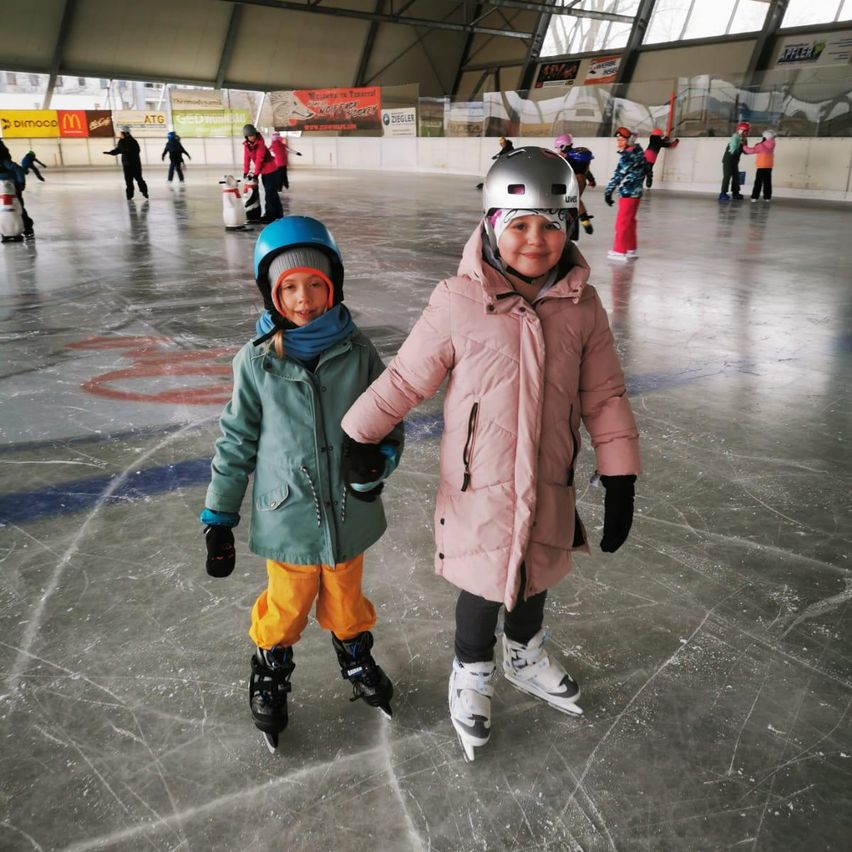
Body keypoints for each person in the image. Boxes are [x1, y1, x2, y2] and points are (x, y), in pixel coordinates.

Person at [341, 147, 641, 761]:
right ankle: (472, 668)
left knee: (537, 571)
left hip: (550, 474)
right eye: (519, 225)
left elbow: (604, 395)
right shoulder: (459, 299)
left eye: (551, 225)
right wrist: (358, 435)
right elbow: (405, 379)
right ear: (492, 225)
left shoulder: (583, 306)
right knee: (483, 584)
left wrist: (620, 476)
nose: (536, 240)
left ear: (570, 225)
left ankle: (524, 654)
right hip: (479, 482)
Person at [200, 215, 404, 752]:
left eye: (316, 284)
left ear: (334, 286)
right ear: (271, 293)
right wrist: (219, 516)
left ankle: (354, 655)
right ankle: (270, 666)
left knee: (347, 599)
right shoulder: (257, 362)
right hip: (287, 514)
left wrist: (377, 464)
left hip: (350, 511)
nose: (304, 299)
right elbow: (236, 441)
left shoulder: (359, 353)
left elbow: (390, 420)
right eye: (289, 287)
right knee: (286, 605)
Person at [604, 127, 646, 262]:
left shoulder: (628, 156)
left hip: (628, 192)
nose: (619, 143)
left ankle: (619, 251)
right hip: (636, 192)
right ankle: (630, 248)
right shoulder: (639, 151)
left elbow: (618, 175)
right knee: (630, 221)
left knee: (622, 223)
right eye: (618, 140)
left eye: (622, 140)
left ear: (630, 140)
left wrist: (608, 192)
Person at [554, 134, 596, 237]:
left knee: (572, 203)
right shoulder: (575, 154)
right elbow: (586, 171)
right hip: (581, 180)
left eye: (558, 148)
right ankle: (583, 223)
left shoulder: (566, 158)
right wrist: (591, 180)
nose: (558, 151)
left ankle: (576, 228)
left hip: (574, 181)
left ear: (563, 146)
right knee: (574, 203)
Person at [242, 124, 282, 223]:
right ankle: (278, 214)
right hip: (265, 172)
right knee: (272, 193)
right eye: (250, 136)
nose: (252, 137)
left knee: (270, 194)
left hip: (271, 170)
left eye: (253, 135)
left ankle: (270, 216)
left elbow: (259, 160)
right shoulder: (247, 146)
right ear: (246, 137)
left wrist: (256, 174)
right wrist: (245, 171)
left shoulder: (260, 144)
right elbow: (246, 159)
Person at [0, 141, 35, 239]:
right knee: (3, 210)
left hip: (11, 188)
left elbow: (18, 169)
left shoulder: (4, 161)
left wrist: (21, 183)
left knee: (18, 207)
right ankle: (6, 230)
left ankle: (27, 228)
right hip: (2, 189)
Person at [104, 126, 148, 200]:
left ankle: (144, 192)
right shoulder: (121, 141)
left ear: (125, 133)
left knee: (139, 179)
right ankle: (129, 195)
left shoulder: (133, 141)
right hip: (126, 165)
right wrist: (111, 152)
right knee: (128, 181)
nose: (120, 134)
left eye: (121, 133)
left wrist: (127, 146)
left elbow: (136, 150)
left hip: (135, 164)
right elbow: (118, 150)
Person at [742, 129, 777, 203]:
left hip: (761, 166)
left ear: (765, 137)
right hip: (769, 166)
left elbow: (750, 151)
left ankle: (754, 197)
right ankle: (767, 197)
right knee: (767, 182)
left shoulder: (761, 146)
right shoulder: (773, 143)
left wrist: (744, 145)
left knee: (758, 182)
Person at [719, 121, 750, 202]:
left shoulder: (744, 139)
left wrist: (755, 149)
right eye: (746, 131)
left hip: (735, 161)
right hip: (728, 161)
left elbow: (745, 151)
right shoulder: (735, 138)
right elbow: (733, 151)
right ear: (741, 130)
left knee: (736, 176)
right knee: (727, 176)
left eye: (747, 131)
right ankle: (723, 194)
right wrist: (741, 145)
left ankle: (736, 193)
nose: (747, 133)